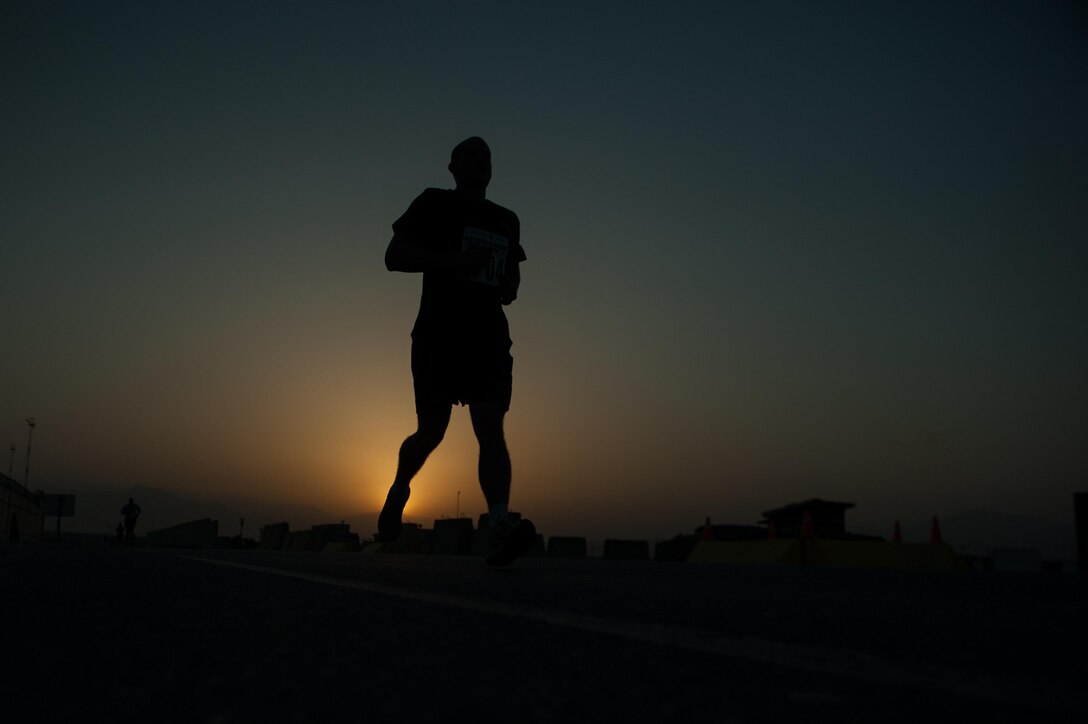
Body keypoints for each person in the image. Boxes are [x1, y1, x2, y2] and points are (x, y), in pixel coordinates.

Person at [379, 136, 536, 566]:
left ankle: (500, 523)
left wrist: (508, 288)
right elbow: (394, 256)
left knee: (490, 425)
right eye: (470, 152)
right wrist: (456, 261)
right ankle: (399, 487)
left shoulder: (507, 219)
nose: (481, 158)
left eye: (487, 153)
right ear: (451, 166)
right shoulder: (433, 203)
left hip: (487, 336)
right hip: (438, 334)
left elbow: (513, 282)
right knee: (431, 432)